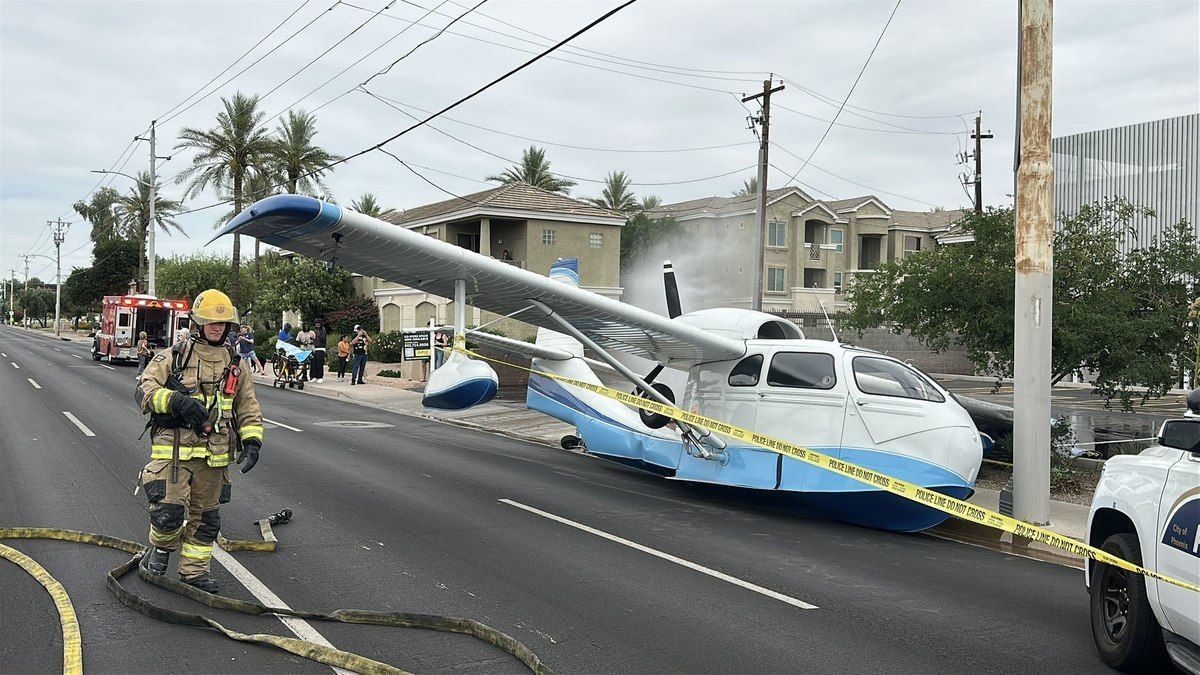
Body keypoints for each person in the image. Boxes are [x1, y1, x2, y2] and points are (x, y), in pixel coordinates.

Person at [135, 289, 264, 594]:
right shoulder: (175, 356)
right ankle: (162, 549)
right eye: (210, 322)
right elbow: (144, 392)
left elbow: (247, 405)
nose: (217, 328)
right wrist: (176, 401)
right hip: (175, 452)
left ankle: (194, 572)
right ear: (197, 323)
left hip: (215, 456)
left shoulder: (235, 364)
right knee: (168, 514)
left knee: (206, 520)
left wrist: (253, 440)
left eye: (222, 323)